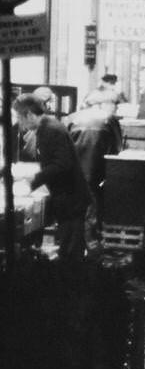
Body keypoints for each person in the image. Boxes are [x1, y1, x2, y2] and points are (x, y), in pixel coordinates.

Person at [14, 93, 93, 262]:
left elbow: (61, 165)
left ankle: (72, 284)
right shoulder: (46, 128)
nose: (19, 123)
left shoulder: (50, 130)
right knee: (69, 247)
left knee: (71, 252)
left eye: (20, 118)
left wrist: (32, 181)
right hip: (67, 197)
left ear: (28, 114)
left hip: (71, 199)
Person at [66, 99, 123, 232]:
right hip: (98, 166)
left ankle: (78, 234)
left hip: (75, 167)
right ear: (102, 104)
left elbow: (64, 143)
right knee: (93, 200)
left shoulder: (72, 118)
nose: (116, 108)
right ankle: (91, 237)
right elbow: (117, 147)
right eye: (114, 105)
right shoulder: (109, 118)